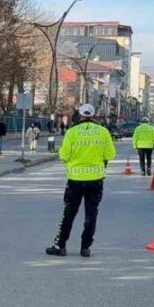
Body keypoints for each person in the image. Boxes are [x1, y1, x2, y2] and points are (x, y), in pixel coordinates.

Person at [46, 104, 116, 258]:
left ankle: (60, 246)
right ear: (94, 115)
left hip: (75, 180)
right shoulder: (103, 132)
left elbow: (64, 156)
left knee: (68, 214)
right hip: (96, 179)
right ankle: (85, 248)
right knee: (91, 214)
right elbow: (110, 154)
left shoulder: (71, 132)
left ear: (80, 115)